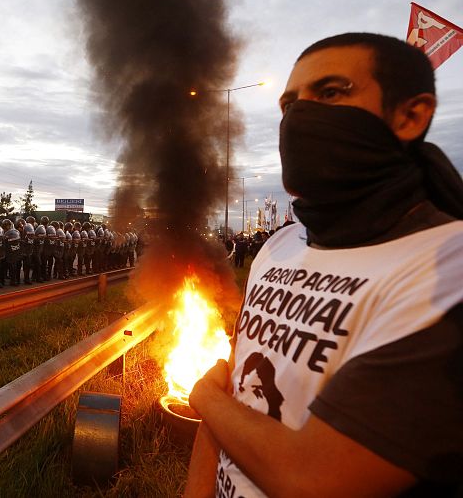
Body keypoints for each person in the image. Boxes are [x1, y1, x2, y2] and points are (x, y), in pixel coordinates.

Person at [185, 33, 463, 497]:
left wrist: (204, 397)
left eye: (331, 93)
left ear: (410, 116)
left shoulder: (442, 270)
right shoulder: (278, 247)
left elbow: (315, 478)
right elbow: (229, 404)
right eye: (289, 103)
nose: (300, 117)